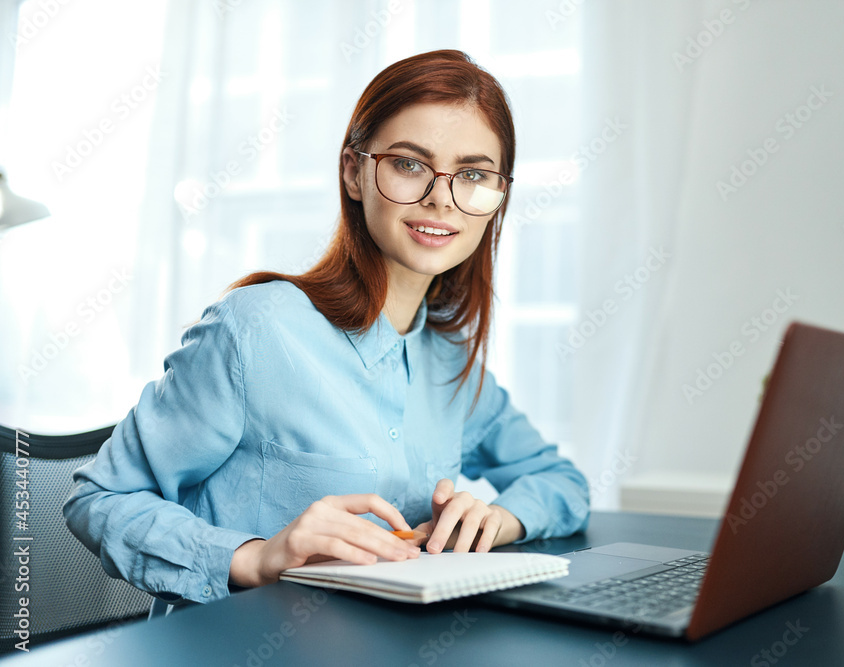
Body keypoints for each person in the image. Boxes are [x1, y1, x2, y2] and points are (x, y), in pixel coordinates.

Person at [63, 49, 590, 612]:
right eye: (410, 163)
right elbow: (99, 498)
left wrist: (499, 520)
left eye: (474, 174)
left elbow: (563, 482)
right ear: (353, 172)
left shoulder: (447, 358)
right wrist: (255, 557)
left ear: (498, 195)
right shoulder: (257, 329)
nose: (442, 197)